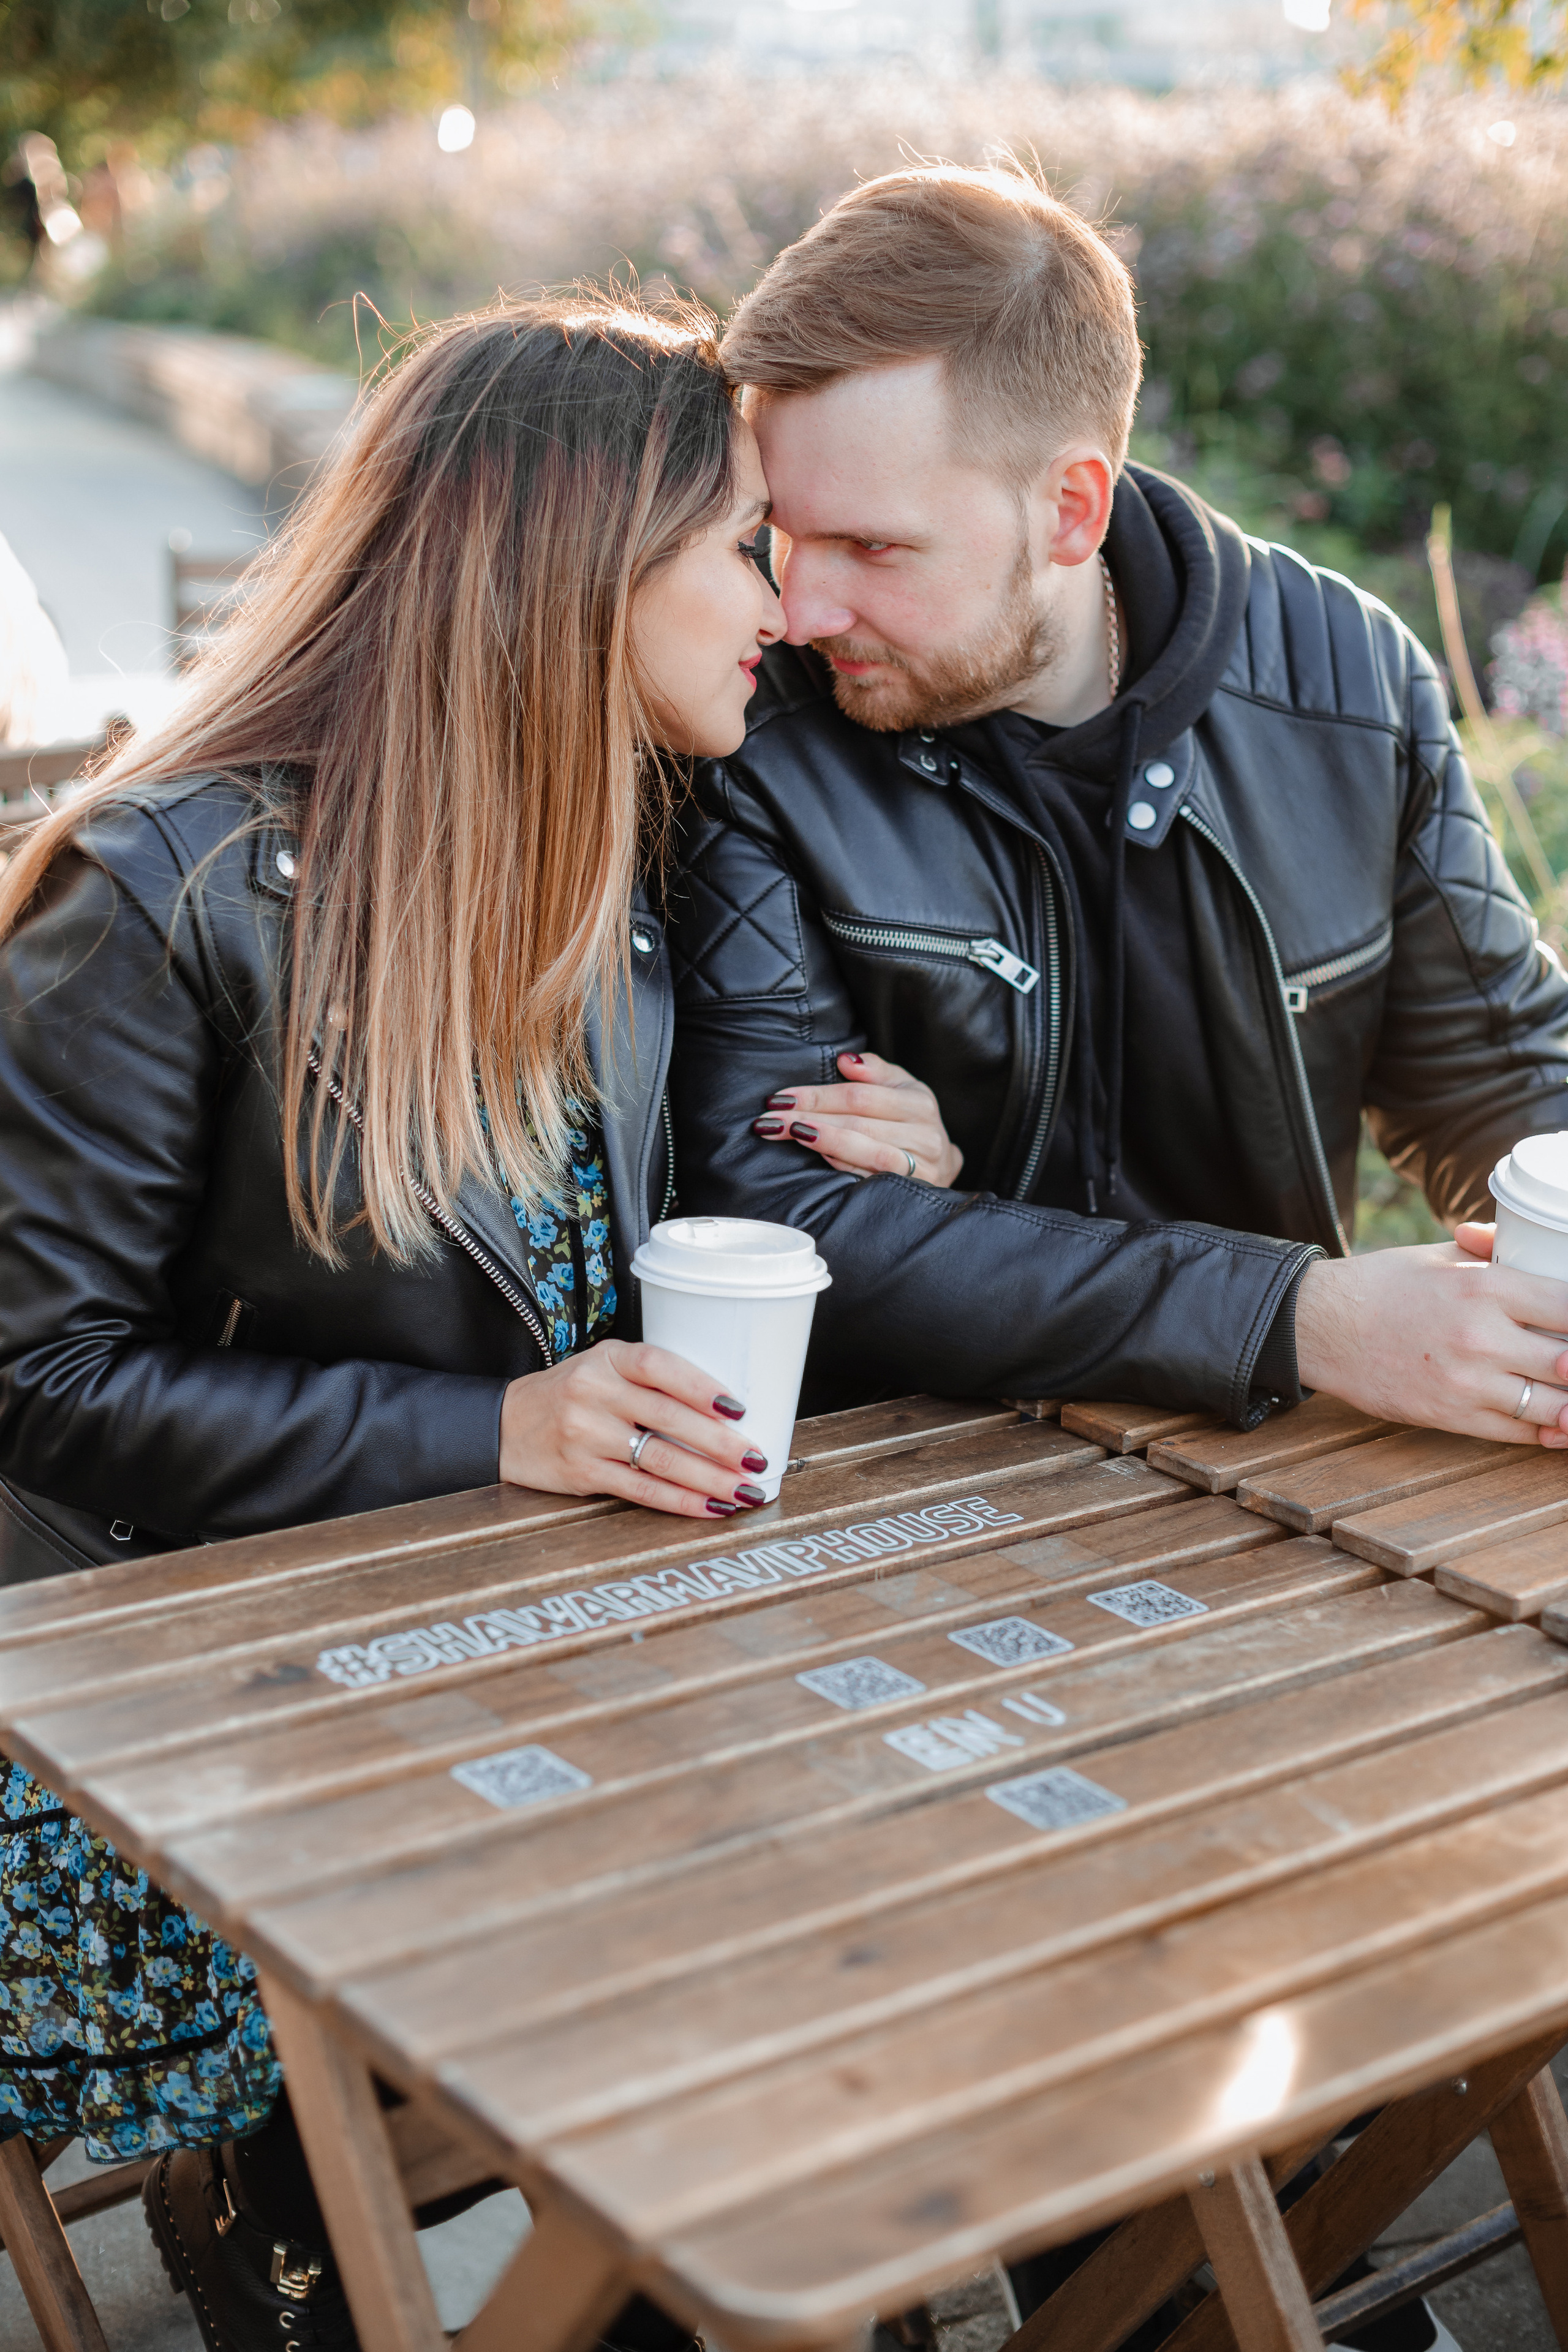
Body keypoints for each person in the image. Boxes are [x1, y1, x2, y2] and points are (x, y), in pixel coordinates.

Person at [0, 296, 949, 2352]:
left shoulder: (634, 838)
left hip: (508, 1633)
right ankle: (343, 2219)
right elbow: (34, 1381)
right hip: (172, 1730)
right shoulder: (165, 888)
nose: (779, 604)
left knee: (917, 1865)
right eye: (739, 549)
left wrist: (898, 1149)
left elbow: (637, 1226)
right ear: (576, 565)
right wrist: (491, 1434)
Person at [664, 162, 1568, 1463]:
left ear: (1070, 509)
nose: (798, 612)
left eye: (871, 548)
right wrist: (1296, 1316)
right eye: (781, 540)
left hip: (1281, 1478)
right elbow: (771, 1215)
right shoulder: (755, 729)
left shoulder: (1348, 683)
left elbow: (1500, 1078)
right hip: (885, 1487)